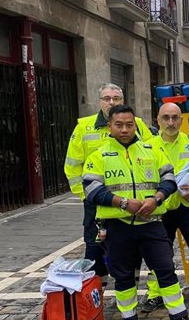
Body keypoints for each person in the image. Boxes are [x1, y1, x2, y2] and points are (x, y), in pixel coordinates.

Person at [83, 105, 189, 320]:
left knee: (165, 270)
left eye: (129, 124)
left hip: (151, 222)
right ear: (110, 126)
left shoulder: (152, 150)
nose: (124, 129)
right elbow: (92, 190)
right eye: (119, 125)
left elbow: (169, 179)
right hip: (117, 225)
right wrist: (122, 203)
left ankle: (178, 317)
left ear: (136, 125)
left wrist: (156, 198)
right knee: (124, 276)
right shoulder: (98, 156)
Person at [64, 84, 152, 282]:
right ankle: (97, 291)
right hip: (97, 201)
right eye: (106, 98)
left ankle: (131, 283)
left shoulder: (136, 123)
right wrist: (85, 195)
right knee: (95, 245)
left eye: (116, 98)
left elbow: (152, 153)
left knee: (132, 244)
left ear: (123, 101)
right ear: (99, 101)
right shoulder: (83, 127)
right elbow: (72, 164)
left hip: (130, 199)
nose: (111, 102)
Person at [142, 103, 189, 314]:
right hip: (160, 208)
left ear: (182, 120)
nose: (170, 122)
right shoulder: (147, 145)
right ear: (158, 120)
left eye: (175, 117)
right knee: (157, 252)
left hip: (188, 205)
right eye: (166, 117)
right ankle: (155, 294)